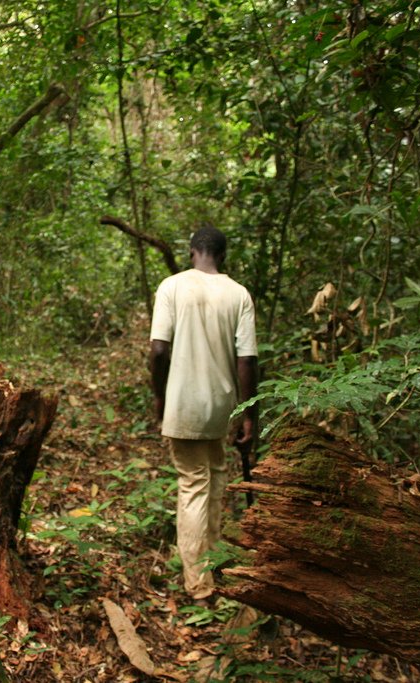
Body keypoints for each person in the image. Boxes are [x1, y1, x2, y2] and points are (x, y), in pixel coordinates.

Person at [149, 225, 258, 600]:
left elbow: (159, 350)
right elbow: (247, 360)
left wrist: (160, 398)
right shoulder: (239, 294)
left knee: (193, 485)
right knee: (213, 479)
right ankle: (212, 565)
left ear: (192, 250)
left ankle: (198, 583)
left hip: (184, 404)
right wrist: (248, 415)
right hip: (223, 406)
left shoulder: (172, 286)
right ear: (222, 255)